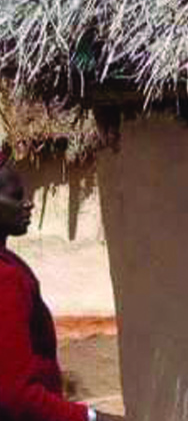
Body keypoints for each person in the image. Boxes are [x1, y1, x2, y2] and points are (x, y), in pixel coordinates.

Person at [0, 158, 122, 421]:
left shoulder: (11, 263)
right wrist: (92, 418)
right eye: (16, 197)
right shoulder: (5, 277)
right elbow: (15, 395)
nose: (28, 203)